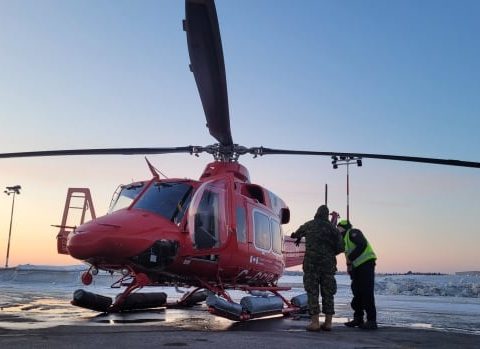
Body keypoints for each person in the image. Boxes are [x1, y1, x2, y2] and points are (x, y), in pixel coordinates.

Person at [290, 205, 344, 331]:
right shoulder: (333, 229)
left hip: (311, 265)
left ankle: (315, 323)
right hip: (328, 266)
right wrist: (330, 253)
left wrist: (297, 236)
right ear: (326, 215)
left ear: (317, 213)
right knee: (328, 293)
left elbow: (297, 233)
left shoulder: (310, 224)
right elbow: (341, 247)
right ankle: (328, 323)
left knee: (313, 293)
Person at [337, 220, 378, 330]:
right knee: (357, 292)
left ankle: (371, 321)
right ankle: (358, 318)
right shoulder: (344, 240)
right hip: (357, 268)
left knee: (366, 292)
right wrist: (350, 268)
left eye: (339, 227)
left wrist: (351, 258)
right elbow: (346, 255)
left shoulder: (353, 233)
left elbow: (362, 244)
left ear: (343, 227)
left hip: (366, 265)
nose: (337, 229)